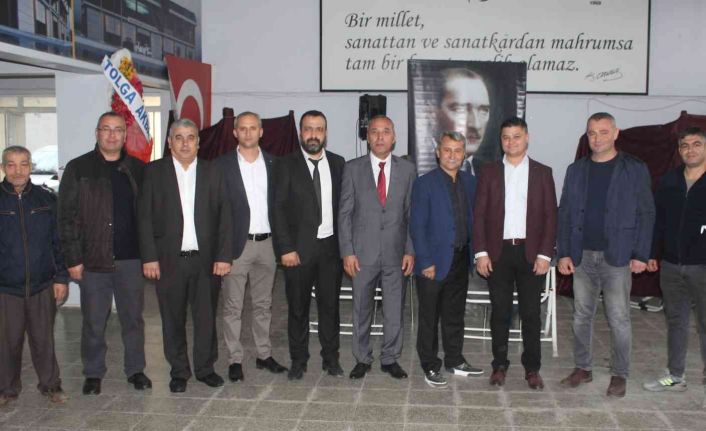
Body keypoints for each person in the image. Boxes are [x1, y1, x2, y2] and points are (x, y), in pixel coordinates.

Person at [558, 112, 655, 398]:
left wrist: (641, 253)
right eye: (591, 133)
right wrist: (564, 253)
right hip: (582, 255)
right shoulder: (576, 170)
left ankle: (619, 374)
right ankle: (583, 368)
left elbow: (646, 212)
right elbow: (565, 213)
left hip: (618, 256)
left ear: (615, 133)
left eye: (603, 132)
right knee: (581, 316)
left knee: (619, 318)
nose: (597, 138)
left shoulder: (634, 168)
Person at [57, 111, 149, 395]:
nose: (112, 135)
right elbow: (66, 217)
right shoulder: (78, 168)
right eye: (106, 129)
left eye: (118, 129)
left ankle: (136, 370)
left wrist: (150, 256)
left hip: (131, 260)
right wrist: (73, 259)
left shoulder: (138, 168)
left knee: (133, 320)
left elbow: (148, 215)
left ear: (125, 134)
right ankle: (93, 373)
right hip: (93, 261)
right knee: (94, 321)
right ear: (97, 133)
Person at [138, 118, 232, 393]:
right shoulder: (154, 172)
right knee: (172, 319)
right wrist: (149, 257)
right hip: (168, 261)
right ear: (170, 142)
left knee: (206, 318)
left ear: (198, 143)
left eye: (191, 137)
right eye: (178, 137)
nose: (185, 143)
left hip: (206, 261)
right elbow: (143, 218)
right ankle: (179, 371)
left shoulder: (213, 171)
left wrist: (224, 256)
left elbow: (225, 215)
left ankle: (205, 368)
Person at [473, 117, 557, 390]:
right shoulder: (489, 172)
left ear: (527, 137)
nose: (511, 142)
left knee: (531, 314)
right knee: (500, 312)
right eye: (506, 137)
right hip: (497, 254)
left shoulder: (543, 173)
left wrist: (545, 255)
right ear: (501, 140)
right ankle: (499, 365)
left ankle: (532, 368)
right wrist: (481, 253)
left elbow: (550, 216)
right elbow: (479, 214)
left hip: (531, 254)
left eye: (516, 136)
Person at [339, 115, 416, 380]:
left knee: (394, 310)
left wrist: (410, 250)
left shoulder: (408, 170)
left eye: (386, 131)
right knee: (361, 308)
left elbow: (411, 214)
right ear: (367, 137)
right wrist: (347, 251)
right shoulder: (352, 169)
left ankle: (390, 358)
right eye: (374, 131)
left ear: (394, 137)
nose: (380, 137)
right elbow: (345, 214)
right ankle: (362, 358)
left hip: (396, 253)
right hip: (362, 254)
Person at [271, 110, 346, 380]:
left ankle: (331, 359)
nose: (313, 134)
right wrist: (285, 249)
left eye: (318, 129)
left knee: (330, 307)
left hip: (331, 250)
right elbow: (277, 209)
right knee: (298, 308)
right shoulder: (285, 164)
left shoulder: (338, 163)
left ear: (325, 133)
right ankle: (299, 360)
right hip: (297, 251)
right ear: (301, 132)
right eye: (308, 129)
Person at [215, 111, 287, 383]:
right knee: (233, 307)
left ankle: (263, 354)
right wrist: (221, 251)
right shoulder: (221, 166)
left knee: (264, 304)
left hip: (267, 245)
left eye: (253, 128)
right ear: (235, 133)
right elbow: (217, 211)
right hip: (237, 246)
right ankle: (235, 359)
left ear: (261, 132)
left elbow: (280, 206)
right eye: (242, 128)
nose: (248, 133)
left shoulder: (274, 163)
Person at [410, 131, 482, 388]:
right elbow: (417, 226)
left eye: (457, 150)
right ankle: (430, 364)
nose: (452, 155)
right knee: (429, 317)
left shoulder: (470, 182)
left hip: (460, 259)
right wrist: (425, 261)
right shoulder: (424, 183)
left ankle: (454, 359)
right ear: (438, 152)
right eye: (447, 150)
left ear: (464, 155)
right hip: (433, 262)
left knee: (454, 314)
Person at [0, 146, 68, 406]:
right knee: (7, 342)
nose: (18, 170)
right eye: (11, 164)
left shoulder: (46, 200)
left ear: (30, 167)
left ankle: (51, 385)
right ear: (3, 168)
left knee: (43, 340)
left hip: (42, 285)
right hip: (6, 288)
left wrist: (61, 278)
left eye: (24, 164)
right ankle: (6, 389)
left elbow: (58, 242)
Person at [643, 127, 706, 392]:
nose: (690, 150)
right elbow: (658, 220)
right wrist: (652, 253)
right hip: (670, 265)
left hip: (702, 266)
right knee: (676, 322)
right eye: (684, 145)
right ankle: (675, 376)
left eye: (696, 144)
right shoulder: (670, 180)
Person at [436, 68, 491, 175]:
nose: (476, 125)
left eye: (483, 111)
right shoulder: (416, 171)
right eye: (461, 109)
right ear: (434, 114)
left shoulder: (490, 173)